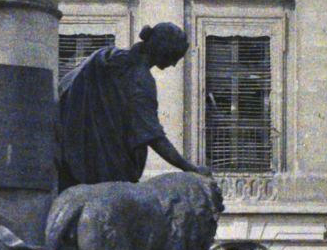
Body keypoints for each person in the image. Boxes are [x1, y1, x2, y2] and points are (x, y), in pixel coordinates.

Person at [54, 22, 211, 189]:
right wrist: (188, 168)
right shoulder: (140, 80)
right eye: (175, 57)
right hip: (104, 169)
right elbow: (152, 135)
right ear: (164, 51)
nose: (173, 65)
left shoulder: (106, 55)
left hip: (69, 154)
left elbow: (65, 88)